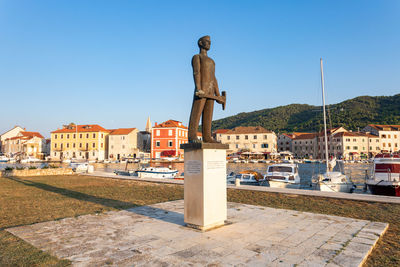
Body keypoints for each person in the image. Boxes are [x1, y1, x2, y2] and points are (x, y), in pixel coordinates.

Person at [188, 35, 223, 143]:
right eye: (207, 41)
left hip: (210, 91)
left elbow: (213, 77)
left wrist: (218, 94)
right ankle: (192, 136)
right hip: (202, 90)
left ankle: (207, 137)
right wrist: (198, 88)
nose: (209, 43)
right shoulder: (197, 57)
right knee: (196, 113)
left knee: (208, 115)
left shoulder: (211, 61)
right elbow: (196, 72)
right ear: (200, 42)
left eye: (210, 42)